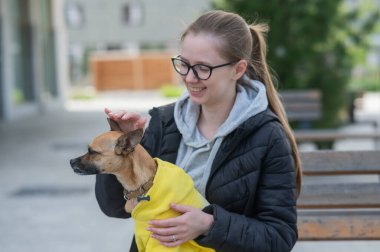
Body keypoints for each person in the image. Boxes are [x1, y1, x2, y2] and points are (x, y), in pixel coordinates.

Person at [95, 10, 302, 252]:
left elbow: (279, 236)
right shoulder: (163, 123)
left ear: (238, 69)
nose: (190, 78)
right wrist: (122, 149)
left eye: (203, 68)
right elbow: (113, 208)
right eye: (184, 64)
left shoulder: (268, 137)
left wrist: (209, 224)